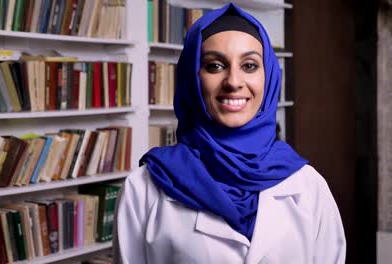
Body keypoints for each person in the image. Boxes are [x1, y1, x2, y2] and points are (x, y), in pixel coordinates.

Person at [114, 3, 346, 263]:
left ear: (268, 77)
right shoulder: (144, 188)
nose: (234, 82)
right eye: (215, 66)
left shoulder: (308, 186)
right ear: (192, 78)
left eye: (249, 66)